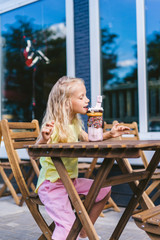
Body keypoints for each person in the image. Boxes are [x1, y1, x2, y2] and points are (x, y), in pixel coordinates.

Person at [35, 76, 130, 240]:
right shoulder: (54, 125)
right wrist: (43, 139)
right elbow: (36, 149)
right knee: (67, 226)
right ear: (66, 102)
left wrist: (110, 134)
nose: (87, 100)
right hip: (52, 186)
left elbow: (89, 139)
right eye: (81, 97)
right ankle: (75, 231)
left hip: (70, 182)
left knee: (104, 190)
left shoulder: (75, 123)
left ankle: (84, 230)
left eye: (85, 96)